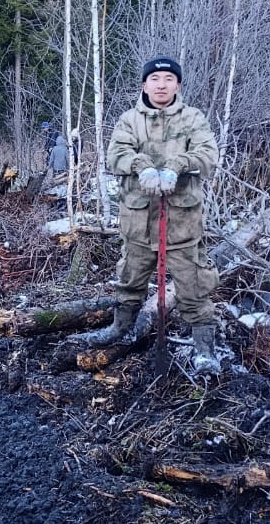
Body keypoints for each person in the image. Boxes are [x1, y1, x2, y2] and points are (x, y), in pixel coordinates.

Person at [93, 56, 221, 373]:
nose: (161, 85)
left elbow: (208, 155)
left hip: (181, 223)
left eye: (168, 79)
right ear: (144, 84)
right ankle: (120, 330)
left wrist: (177, 166)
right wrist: (142, 167)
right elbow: (116, 155)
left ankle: (204, 349)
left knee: (193, 286)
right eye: (155, 79)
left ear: (177, 84)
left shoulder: (193, 118)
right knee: (129, 280)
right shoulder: (129, 121)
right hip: (137, 222)